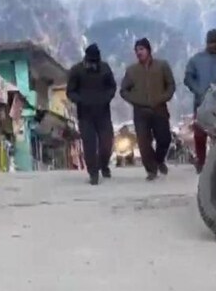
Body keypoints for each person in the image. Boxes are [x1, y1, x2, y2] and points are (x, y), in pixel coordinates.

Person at [120, 38, 177, 181]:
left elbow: (171, 85)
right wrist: (136, 101)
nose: (139, 52)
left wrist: (164, 97)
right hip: (141, 112)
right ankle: (151, 169)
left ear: (148, 50)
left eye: (141, 49)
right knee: (143, 142)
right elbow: (123, 90)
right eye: (137, 50)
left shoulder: (162, 66)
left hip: (159, 108)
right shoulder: (132, 70)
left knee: (164, 139)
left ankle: (158, 160)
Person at [67, 43, 117, 185]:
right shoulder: (77, 70)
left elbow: (112, 86)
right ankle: (93, 173)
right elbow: (70, 91)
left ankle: (104, 164)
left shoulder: (105, 68)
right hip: (85, 114)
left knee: (107, 143)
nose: (93, 64)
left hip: (103, 113)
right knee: (89, 144)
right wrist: (80, 100)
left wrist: (107, 97)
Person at [184, 29, 216, 173]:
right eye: (211, 43)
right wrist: (198, 91)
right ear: (207, 42)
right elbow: (188, 78)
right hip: (201, 102)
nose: (213, 45)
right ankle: (201, 162)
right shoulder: (196, 60)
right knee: (200, 134)